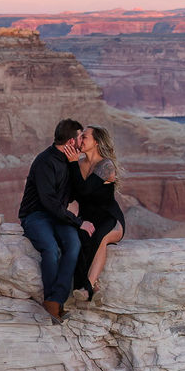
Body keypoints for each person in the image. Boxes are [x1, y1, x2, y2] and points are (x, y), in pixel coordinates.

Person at [19, 118, 93, 323]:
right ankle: (52, 304)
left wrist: (72, 167)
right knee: (51, 249)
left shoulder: (69, 162)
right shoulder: (45, 161)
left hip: (57, 215)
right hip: (36, 215)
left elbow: (73, 196)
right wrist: (78, 222)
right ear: (71, 142)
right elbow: (49, 202)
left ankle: (56, 301)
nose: (81, 142)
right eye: (80, 138)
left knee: (74, 244)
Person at [73, 125, 126, 299]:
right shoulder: (79, 163)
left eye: (84, 137)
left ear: (96, 142)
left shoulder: (106, 165)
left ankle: (86, 288)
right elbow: (71, 194)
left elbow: (85, 190)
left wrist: (72, 164)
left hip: (110, 218)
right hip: (88, 219)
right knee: (78, 239)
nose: (80, 139)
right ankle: (94, 287)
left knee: (99, 238)